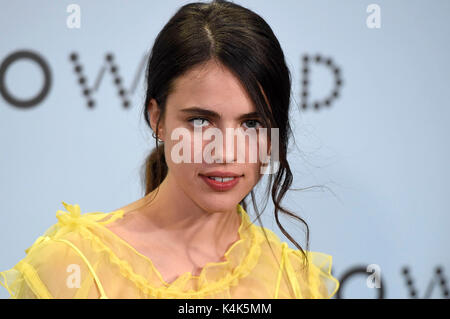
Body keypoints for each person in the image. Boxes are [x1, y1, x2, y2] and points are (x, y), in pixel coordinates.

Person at [0, 0, 339, 299]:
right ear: (157, 118)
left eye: (252, 124)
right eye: (201, 121)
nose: (225, 153)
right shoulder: (73, 266)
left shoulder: (295, 281)